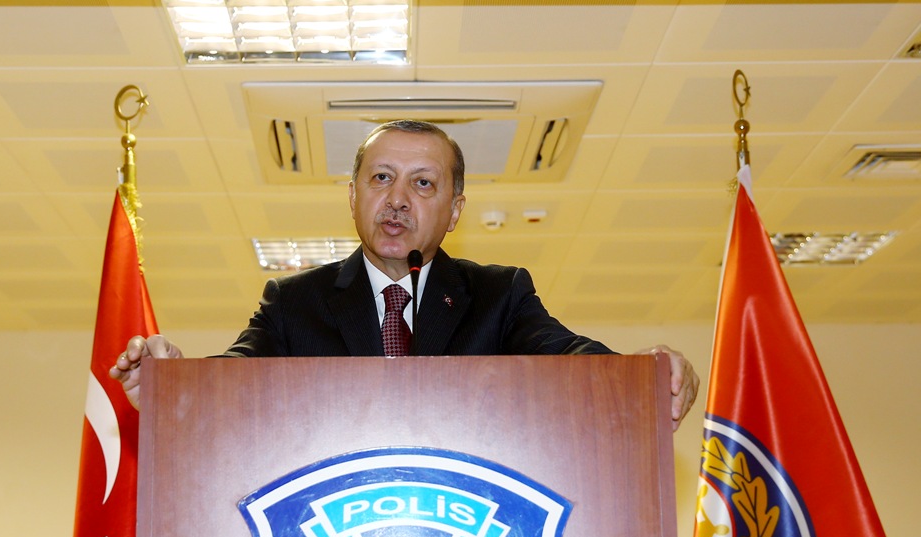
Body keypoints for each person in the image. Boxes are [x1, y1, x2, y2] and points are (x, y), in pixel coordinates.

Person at [112, 119, 699, 430]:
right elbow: (235, 375)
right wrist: (172, 381)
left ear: (455, 211)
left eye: (422, 183)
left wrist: (641, 374)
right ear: (353, 195)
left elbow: (566, 356)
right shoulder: (294, 302)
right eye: (381, 178)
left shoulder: (499, 294)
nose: (396, 199)